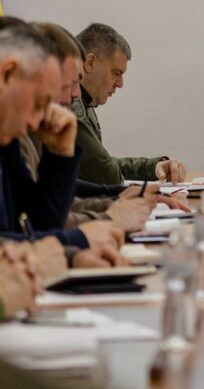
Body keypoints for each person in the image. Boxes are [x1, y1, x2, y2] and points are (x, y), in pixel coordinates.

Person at [0, 20, 124, 251]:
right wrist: (82, 238)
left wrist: (60, 155)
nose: (36, 122)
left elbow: (37, 221)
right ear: (8, 75)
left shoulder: (7, 142)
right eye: (40, 100)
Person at [72, 23, 187, 184]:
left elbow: (102, 164)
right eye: (116, 73)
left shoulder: (86, 103)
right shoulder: (70, 105)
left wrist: (153, 167)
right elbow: (108, 174)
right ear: (90, 62)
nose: (120, 84)